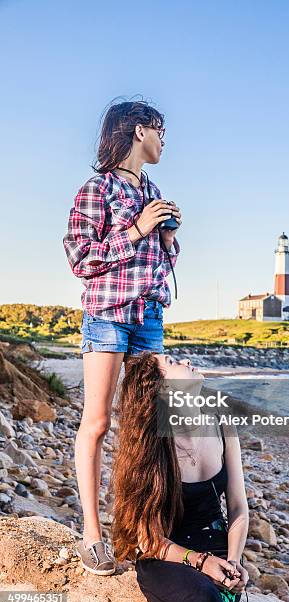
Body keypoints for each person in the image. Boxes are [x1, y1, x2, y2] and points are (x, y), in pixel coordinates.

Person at [62, 99, 182, 575]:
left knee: (149, 431)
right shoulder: (97, 188)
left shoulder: (153, 190)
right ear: (137, 132)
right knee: (97, 423)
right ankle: (93, 532)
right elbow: (79, 259)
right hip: (109, 316)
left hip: (150, 315)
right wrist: (136, 229)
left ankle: (138, 531)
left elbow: (157, 266)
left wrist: (168, 241)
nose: (164, 139)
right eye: (160, 129)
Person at [111, 351, 250, 602]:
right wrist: (200, 562)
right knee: (203, 598)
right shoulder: (149, 447)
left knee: (221, 592)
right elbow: (146, 539)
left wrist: (233, 560)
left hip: (217, 547)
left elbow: (237, 507)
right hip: (166, 554)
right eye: (173, 362)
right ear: (160, 387)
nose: (188, 360)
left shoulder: (221, 423)